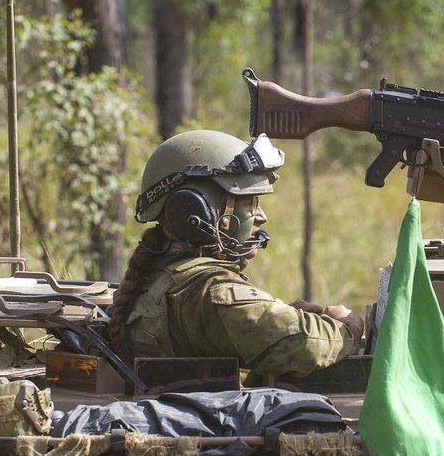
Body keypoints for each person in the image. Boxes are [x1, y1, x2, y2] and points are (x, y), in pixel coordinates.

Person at [108, 130, 365, 379]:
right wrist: (347, 325)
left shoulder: (157, 274)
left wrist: (281, 315)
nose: (262, 217)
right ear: (197, 210)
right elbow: (304, 347)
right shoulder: (212, 291)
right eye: (250, 203)